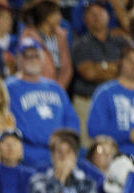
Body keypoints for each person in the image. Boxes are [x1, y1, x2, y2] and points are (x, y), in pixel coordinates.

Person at [6, 39, 79, 170]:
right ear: (18, 59)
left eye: (36, 55)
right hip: (29, 157)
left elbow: (71, 120)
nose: (32, 59)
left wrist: (64, 142)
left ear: (43, 59)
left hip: (60, 153)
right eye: (27, 55)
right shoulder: (9, 88)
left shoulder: (55, 87)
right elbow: (11, 124)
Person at [70, 3, 130, 143]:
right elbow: (90, 73)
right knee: (88, 146)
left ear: (108, 16)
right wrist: (115, 67)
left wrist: (101, 67)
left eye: (100, 13)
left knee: (116, 145)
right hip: (87, 101)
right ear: (85, 19)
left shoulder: (120, 41)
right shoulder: (80, 44)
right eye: (92, 14)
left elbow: (130, 69)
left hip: (117, 102)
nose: (96, 17)